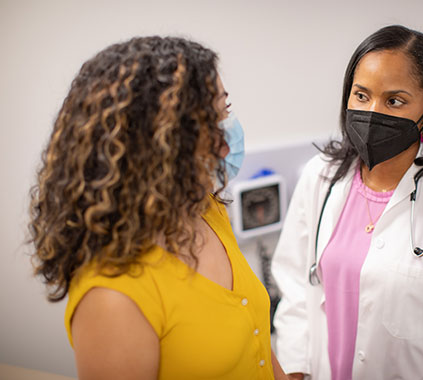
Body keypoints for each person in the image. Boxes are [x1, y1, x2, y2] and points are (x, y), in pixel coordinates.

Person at [271, 25, 423, 380]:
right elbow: (295, 285)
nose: (372, 112)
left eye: (394, 100)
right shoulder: (320, 177)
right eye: (361, 95)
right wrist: (296, 370)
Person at [29, 36, 287, 380]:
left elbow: (257, 346)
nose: (226, 143)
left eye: (224, 112)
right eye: (203, 125)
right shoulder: (112, 295)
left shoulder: (205, 209)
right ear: (149, 148)